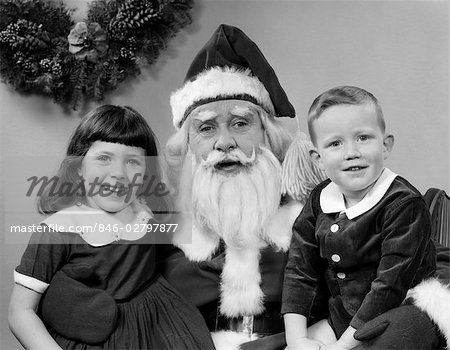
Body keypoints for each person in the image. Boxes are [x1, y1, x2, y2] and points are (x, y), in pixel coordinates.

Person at [158, 24, 326, 350]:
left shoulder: (316, 218)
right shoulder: (162, 234)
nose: (224, 143)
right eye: (206, 127)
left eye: (240, 123)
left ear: (267, 135)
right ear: (188, 145)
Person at [8, 105, 215, 350]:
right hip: (97, 336)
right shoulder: (58, 231)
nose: (118, 173)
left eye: (132, 162)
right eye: (104, 158)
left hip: (157, 328)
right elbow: (20, 312)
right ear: (78, 167)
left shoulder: (144, 214)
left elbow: (170, 260)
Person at [282, 86, 446, 350]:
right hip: (343, 315)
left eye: (363, 138)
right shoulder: (320, 199)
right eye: (335, 143)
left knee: (393, 340)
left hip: (401, 310)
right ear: (318, 159)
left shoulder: (403, 204)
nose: (351, 152)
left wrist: (340, 347)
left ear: (385, 146)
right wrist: (296, 339)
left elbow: (389, 286)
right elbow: (300, 270)